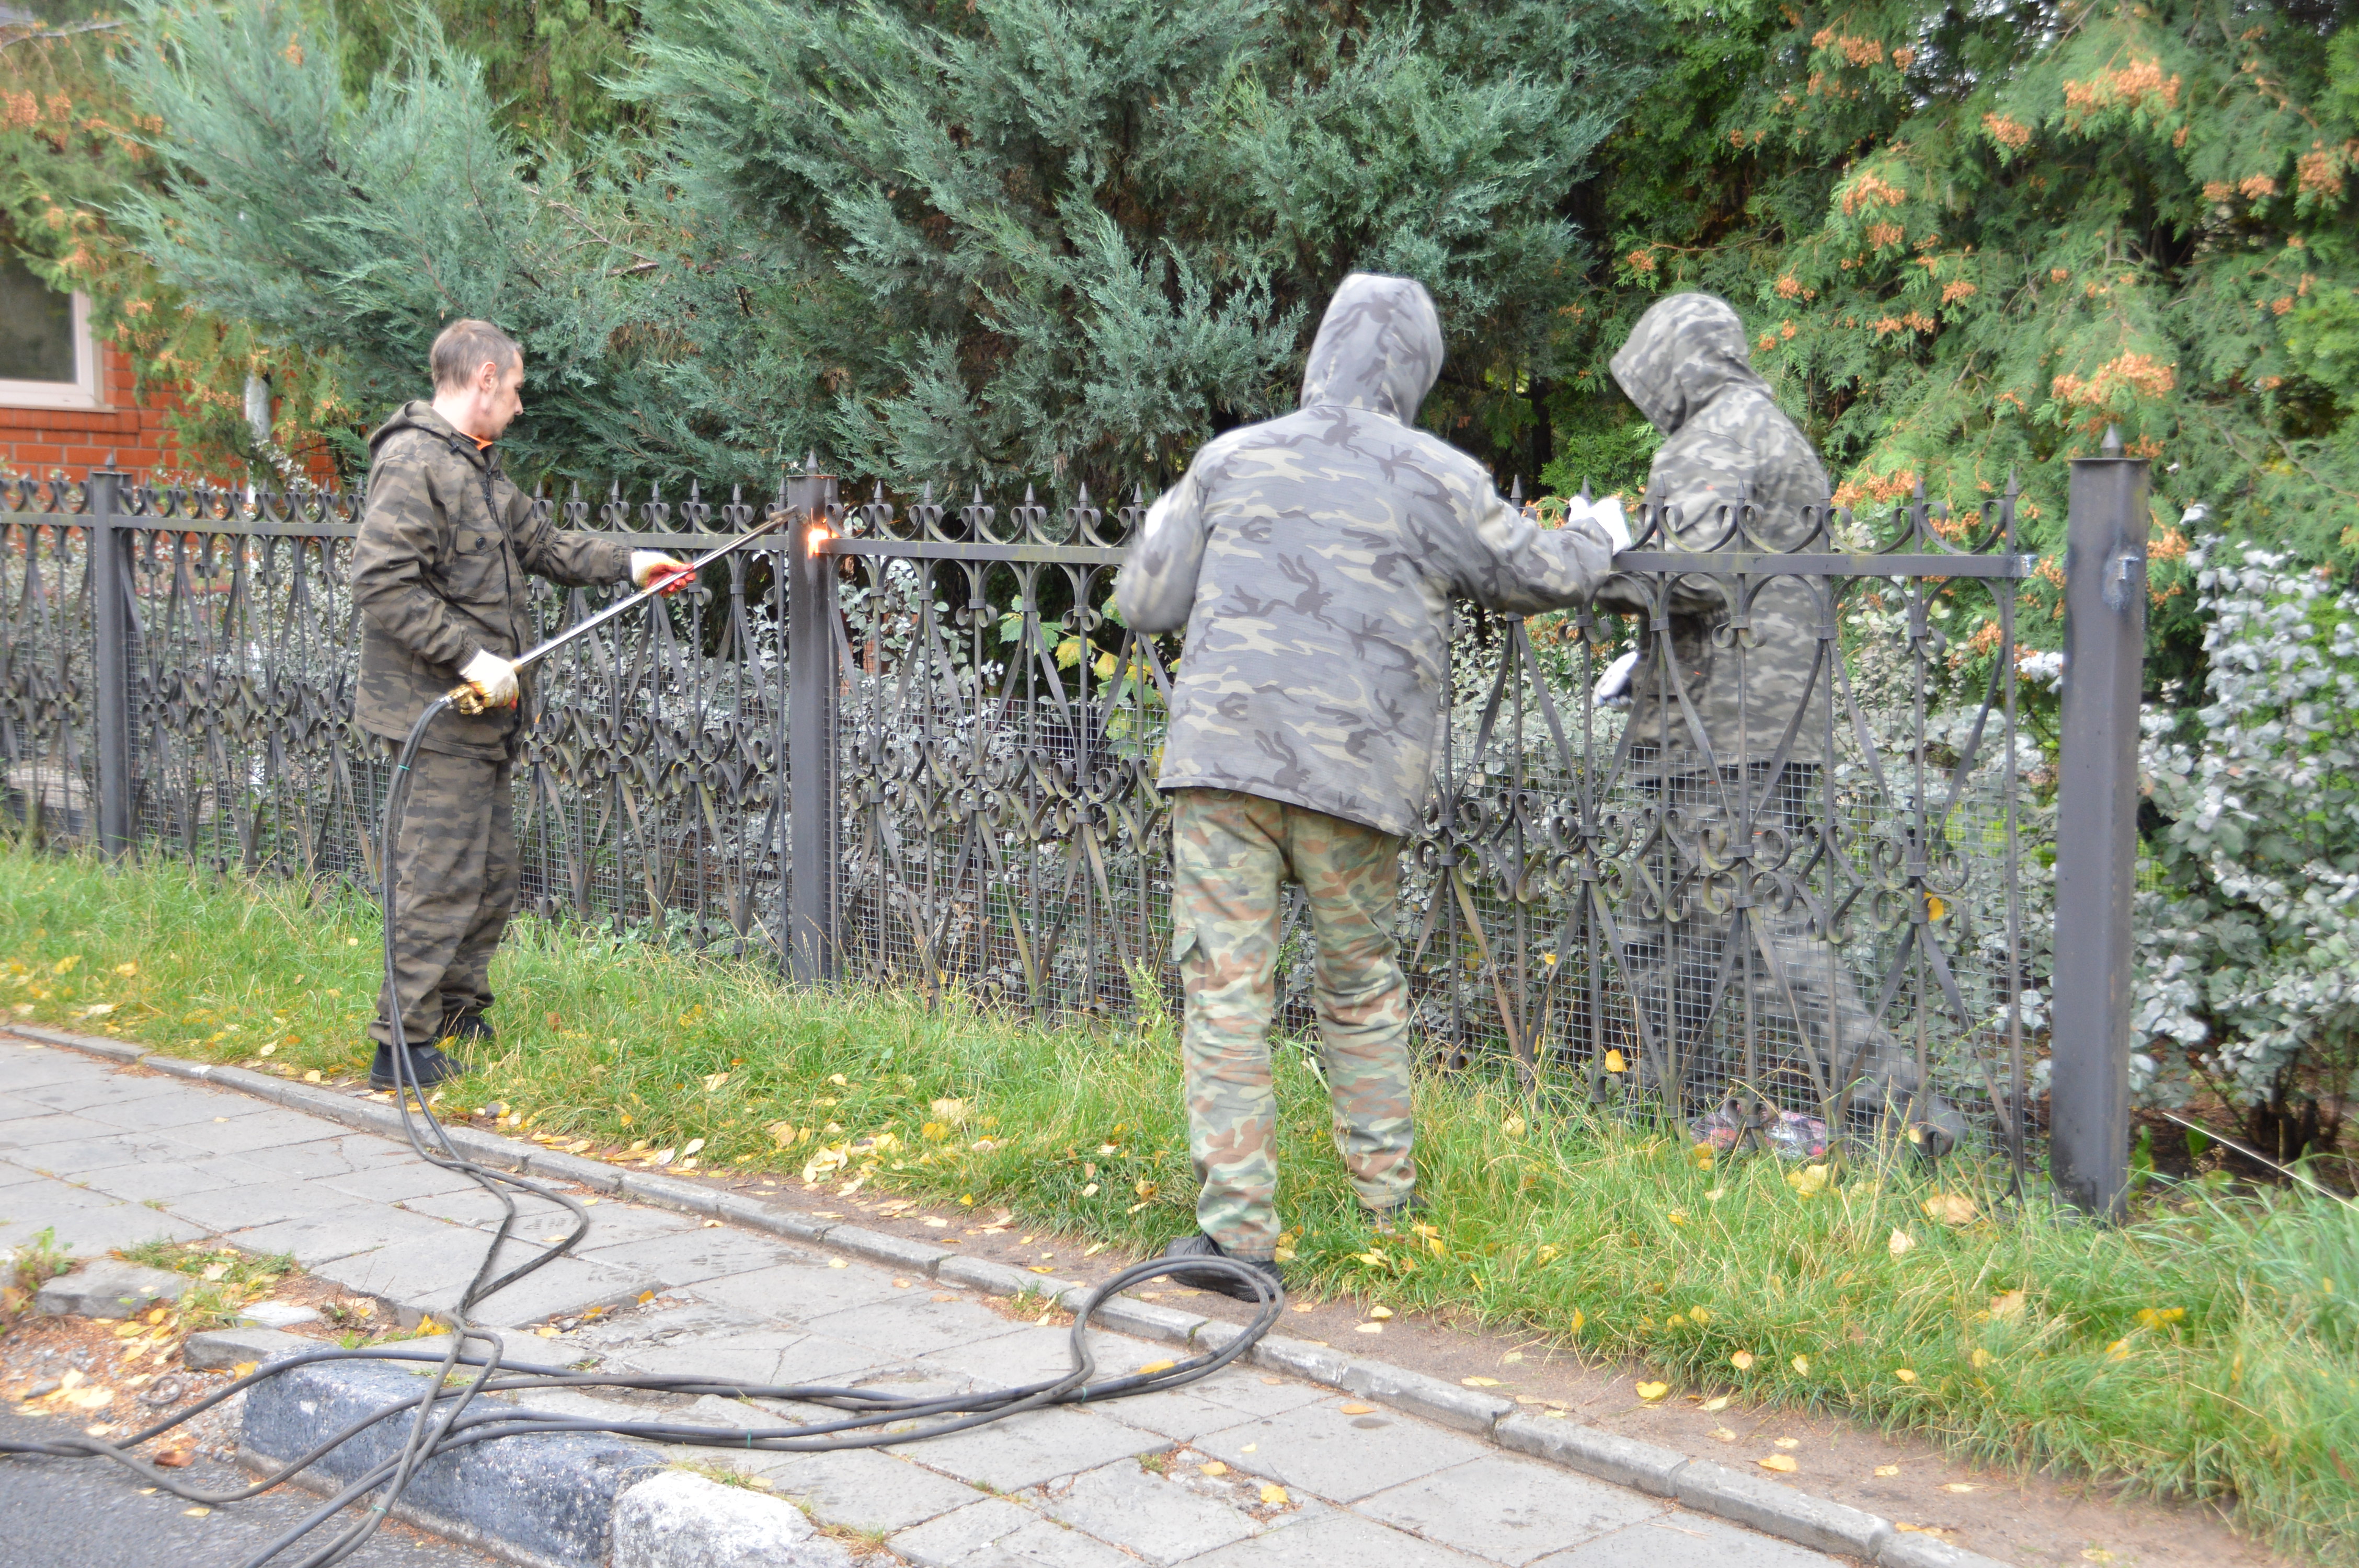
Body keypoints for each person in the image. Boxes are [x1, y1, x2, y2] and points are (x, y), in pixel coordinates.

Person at [1116, 274, 1617, 1300]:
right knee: (1360, 991)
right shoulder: (1438, 476)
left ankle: (1236, 1240)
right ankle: (1389, 1214)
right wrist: (1602, 535)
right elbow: (1542, 574)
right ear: (1415, 370)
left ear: (1323, 350)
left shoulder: (1231, 458)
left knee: (1225, 997)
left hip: (1223, 768)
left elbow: (1145, 600)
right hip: (1355, 778)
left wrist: (1172, 515)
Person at [1593, 292, 1964, 1154]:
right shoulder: (1770, 429)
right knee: (1677, 927)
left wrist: (1596, 557)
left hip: (1723, 725)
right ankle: (1659, 1104)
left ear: (1676, 362)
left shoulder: (1715, 433)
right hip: (1756, 716)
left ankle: (1912, 1119)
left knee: (1760, 932)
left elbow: (1692, 573)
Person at [352, 319, 691, 1091]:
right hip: (435, 713)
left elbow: (543, 545)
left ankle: (458, 1012)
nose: (519, 403)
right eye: (514, 388)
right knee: (438, 877)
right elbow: (380, 581)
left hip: (484, 719)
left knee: (491, 874)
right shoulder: (412, 462)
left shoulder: (473, 466)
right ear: (483, 379)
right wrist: (470, 656)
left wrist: (634, 564)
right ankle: (400, 1046)